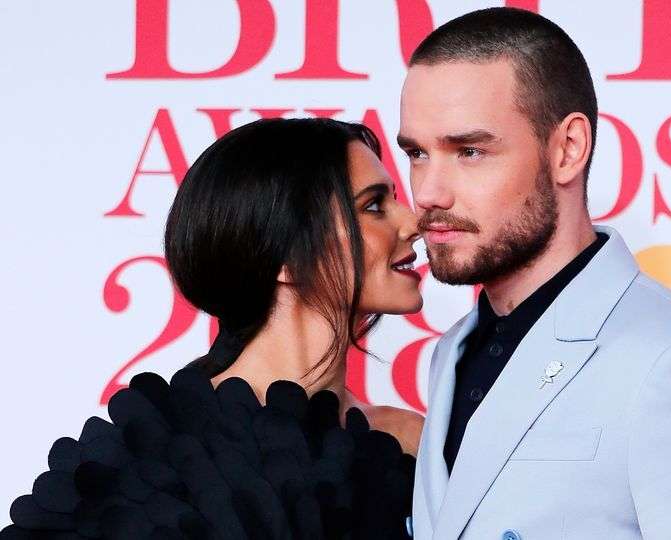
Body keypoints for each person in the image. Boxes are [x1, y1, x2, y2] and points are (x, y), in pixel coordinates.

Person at [398, 8, 671, 540]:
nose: (428, 192)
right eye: (417, 153)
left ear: (568, 149)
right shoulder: (454, 350)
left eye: (470, 151)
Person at [2, 118, 422, 539]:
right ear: (284, 255)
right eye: (373, 206)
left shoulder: (411, 442)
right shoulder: (147, 457)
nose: (412, 223)